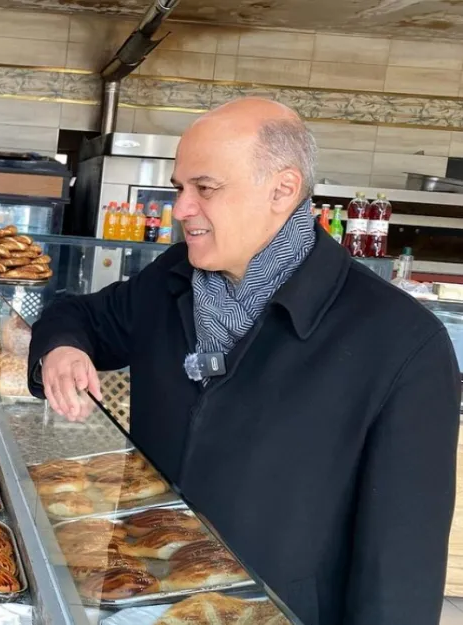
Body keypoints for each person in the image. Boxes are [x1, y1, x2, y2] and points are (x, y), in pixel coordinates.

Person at [29, 98, 461, 624]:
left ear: (282, 189)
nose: (181, 209)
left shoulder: (399, 343)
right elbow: (80, 316)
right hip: (144, 597)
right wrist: (64, 348)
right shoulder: (173, 279)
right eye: (179, 189)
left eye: (204, 189)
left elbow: (399, 575)